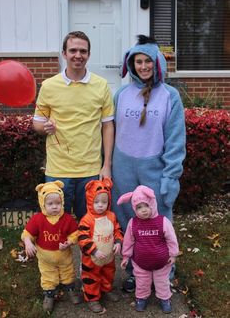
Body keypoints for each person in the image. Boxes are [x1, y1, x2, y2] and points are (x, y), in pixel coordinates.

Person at [111, 35, 186, 292]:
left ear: (157, 63)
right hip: (123, 168)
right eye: (137, 61)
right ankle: (135, 271)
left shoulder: (170, 96)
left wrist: (171, 176)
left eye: (147, 62)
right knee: (129, 222)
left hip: (154, 169)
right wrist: (107, 167)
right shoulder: (121, 94)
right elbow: (109, 132)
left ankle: (164, 272)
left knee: (158, 221)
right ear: (131, 64)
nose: (142, 66)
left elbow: (176, 140)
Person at [33, 31, 114, 219]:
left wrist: (107, 164)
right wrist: (44, 127)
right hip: (58, 170)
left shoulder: (101, 85)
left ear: (89, 55)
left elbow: (108, 126)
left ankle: (86, 250)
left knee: (90, 223)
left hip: (91, 169)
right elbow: (37, 123)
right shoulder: (49, 86)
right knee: (56, 223)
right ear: (64, 54)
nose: (78, 55)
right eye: (73, 50)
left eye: (83, 51)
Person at [21, 181, 82, 313]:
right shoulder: (37, 219)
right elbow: (27, 233)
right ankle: (49, 294)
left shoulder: (67, 219)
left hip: (63, 255)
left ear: (63, 203)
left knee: (68, 272)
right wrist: (28, 242)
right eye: (50, 204)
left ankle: (70, 289)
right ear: (43, 203)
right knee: (48, 275)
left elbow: (75, 233)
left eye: (58, 203)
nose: (55, 207)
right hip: (45, 257)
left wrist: (70, 242)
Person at [118, 185, 179, 313]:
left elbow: (171, 239)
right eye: (139, 207)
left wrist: (173, 255)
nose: (144, 210)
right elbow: (129, 241)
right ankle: (141, 298)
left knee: (162, 282)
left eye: (146, 205)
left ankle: (165, 299)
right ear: (134, 208)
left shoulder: (163, 221)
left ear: (153, 203)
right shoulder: (133, 223)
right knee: (142, 282)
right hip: (141, 262)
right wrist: (125, 256)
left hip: (162, 262)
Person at [78, 178, 123, 314]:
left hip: (108, 256)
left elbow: (117, 230)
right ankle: (92, 298)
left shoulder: (111, 216)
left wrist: (118, 242)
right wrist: (94, 251)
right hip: (92, 259)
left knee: (108, 274)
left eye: (104, 202)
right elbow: (82, 238)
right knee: (92, 278)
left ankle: (106, 289)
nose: (100, 205)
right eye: (96, 201)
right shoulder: (87, 219)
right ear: (90, 200)